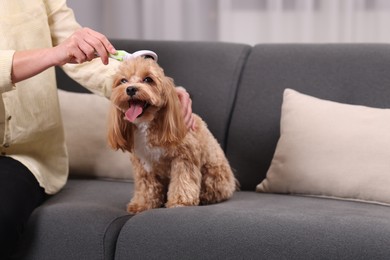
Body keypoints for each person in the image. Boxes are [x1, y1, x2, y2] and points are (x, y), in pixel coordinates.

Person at [0, 0, 194, 258]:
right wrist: (55, 53)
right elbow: (63, 50)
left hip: (22, 156)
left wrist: (161, 93)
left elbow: (82, 55)